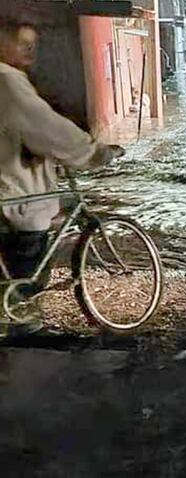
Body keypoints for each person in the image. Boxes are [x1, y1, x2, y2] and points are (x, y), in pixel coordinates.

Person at [0, 19, 122, 333]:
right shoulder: (8, 82)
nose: (29, 50)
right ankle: (25, 340)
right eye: (21, 42)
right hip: (15, 197)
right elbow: (49, 129)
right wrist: (97, 152)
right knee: (25, 282)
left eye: (33, 44)